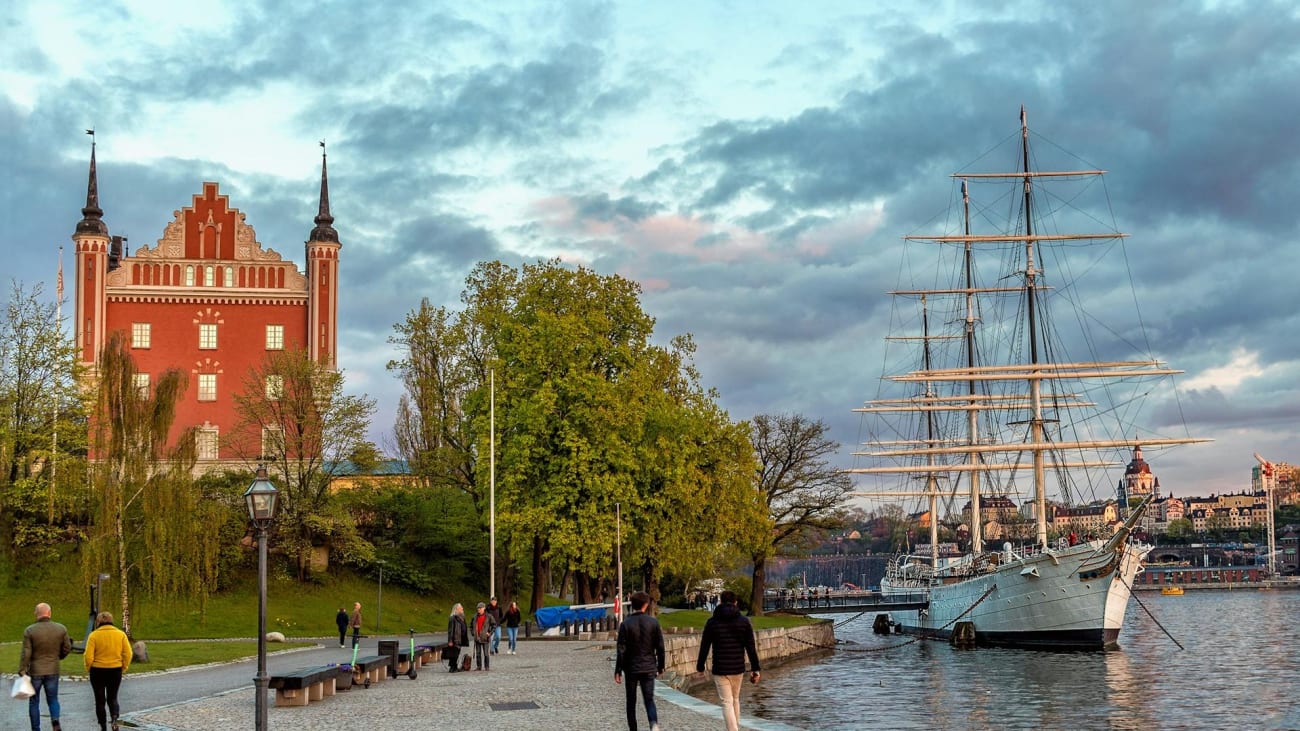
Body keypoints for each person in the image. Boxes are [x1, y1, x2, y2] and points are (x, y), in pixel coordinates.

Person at [696, 590, 761, 731]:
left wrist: (700, 667)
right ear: (735, 602)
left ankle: (733, 729)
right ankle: (734, 728)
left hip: (720, 668)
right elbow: (750, 647)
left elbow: (704, 646)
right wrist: (756, 669)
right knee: (735, 699)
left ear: (720, 601)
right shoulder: (744, 622)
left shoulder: (712, 622)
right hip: (737, 667)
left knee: (726, 702)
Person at [614, 591, 665, 731]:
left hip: (631, 668)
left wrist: (618, 670)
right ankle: (653, 723)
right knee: (649, 699)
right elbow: (660, 647)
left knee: (631, 701)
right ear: (646, 605)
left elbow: (621, 649)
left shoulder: (625, 624)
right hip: (648, 667)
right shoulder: (653, 623)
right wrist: (661, 666)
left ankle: (633, 728)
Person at [19, 601, 71, 731]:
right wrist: (58, 657)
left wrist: (23, 669)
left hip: (35, 671)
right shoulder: (61, 629)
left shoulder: (30, 630)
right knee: (53, 699)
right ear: (49, 613)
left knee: (34, 701)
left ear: (36, 614)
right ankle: (55, 720)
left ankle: (36, 728)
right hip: (53, 669)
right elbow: (67, 648)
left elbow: (26, 652)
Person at [83, 611, 133, 731]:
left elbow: (88, 656)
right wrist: (123, 667)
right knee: (113, 697)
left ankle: (103, 726)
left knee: (99, 700)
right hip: (115, 670)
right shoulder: (120, 635)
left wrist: (88, 667)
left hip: (97, 670)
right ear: (112, 621)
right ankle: (114, 719)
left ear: (98, 622)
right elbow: (128, 653)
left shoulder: (94, 635)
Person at [471, 601, 496, 670]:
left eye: (480, 608)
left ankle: (486, 666)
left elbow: (494, 625)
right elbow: (471, 626)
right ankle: (479, 667)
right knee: (478, 654)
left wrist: (490, 633)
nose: (479, 609)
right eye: (478, 608)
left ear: (484, 608)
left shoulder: (489, 616)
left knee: (486, 654)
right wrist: (473, 633)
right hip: (477, 638)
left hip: (485, 638)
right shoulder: (474, 617)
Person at [445, 604, 469, 672]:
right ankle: (452, 667)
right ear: (457, 609)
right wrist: (450, 640)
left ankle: (454, 666)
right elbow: (450, 630)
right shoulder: (452, 618)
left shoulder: (462, 618)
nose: (462, 609)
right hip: (454, 638)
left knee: (457, 653)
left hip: (460, 639)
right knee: (453, 654)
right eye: (461, 608)